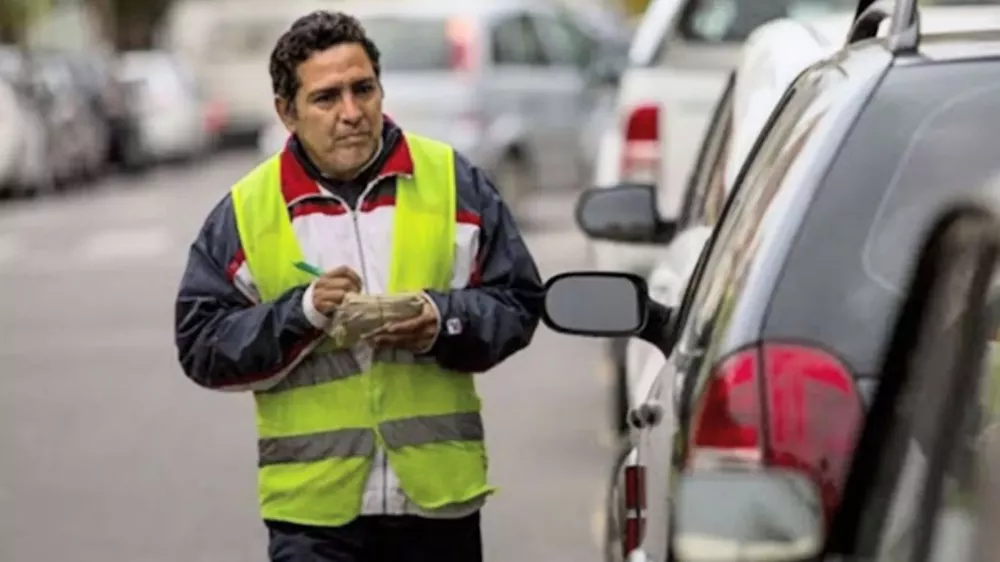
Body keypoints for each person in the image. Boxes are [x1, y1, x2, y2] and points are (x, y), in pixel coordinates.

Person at [173, 10, 544, 562]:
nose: (351, 113)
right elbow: (202, 344)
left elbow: (518, 301)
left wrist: (440, 320)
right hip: (314, 518)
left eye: (363, 89)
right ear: (286, 112)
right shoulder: (247, 210)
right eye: (326, 98)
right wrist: (300, 313)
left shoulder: (451, 179)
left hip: (438, 506)